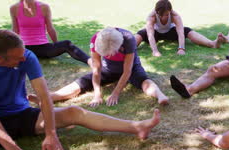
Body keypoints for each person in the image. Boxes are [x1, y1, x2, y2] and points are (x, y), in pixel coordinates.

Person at [0, 30, 161, 150]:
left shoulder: (26, 56)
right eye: (17, 58)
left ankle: (138, 127)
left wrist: (51, 133)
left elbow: (44, 96)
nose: (23, 59)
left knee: (74, 112)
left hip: (22, 114)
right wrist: (14, 149)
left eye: (23, 54)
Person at [41, 27, 169, 106]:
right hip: (108, 70)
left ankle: (160, 96)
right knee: (83, 82)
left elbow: (127, 71)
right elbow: (96, 68)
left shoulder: (129, 39)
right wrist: (97, 94)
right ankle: (50, 97)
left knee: (144, 81)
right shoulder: (95, 40)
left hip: (132, 68)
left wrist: (115, 93)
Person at [10, 0, 90, 64]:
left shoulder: (44, 7)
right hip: (24, 49)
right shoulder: (14, 8)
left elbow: (50, 28)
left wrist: (56, 45)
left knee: (67, 44)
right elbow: (15, 30)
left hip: (43, 48)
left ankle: (91, 61)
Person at [135, 0, 227, 57]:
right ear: (157, 12)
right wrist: (155, 51)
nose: (164, 17)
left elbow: (180, 32)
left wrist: (181, 48)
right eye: (161, 15)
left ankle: (212, 44)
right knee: (141, 33)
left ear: (170, 11)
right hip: (156, 33)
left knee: (187, 30)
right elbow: (150, 35)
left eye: (167, 14)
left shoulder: (175, 16)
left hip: (170, 32)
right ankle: (125, 49)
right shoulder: (151, 17)